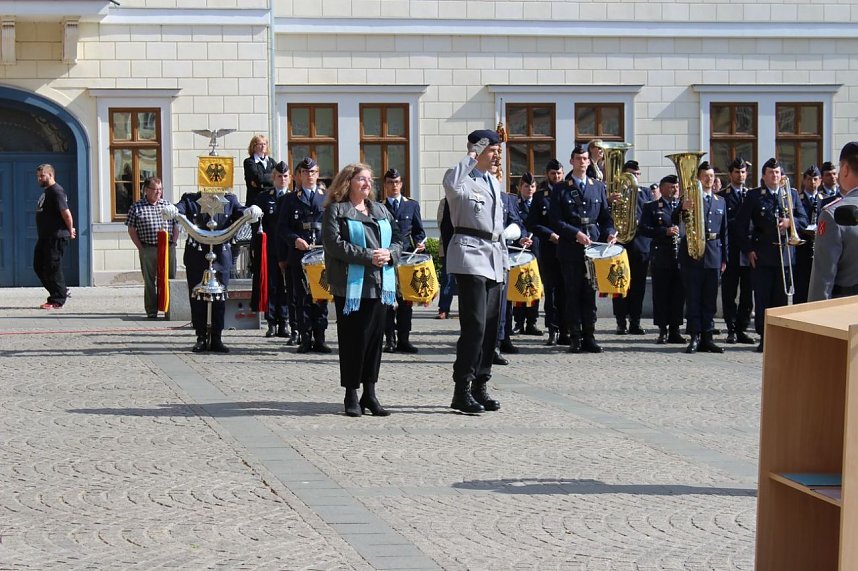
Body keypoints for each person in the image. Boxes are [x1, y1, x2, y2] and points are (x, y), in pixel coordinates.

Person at [323, 163, 402, 417]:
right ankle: (351, 394)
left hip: (380, 284)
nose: (367, 184)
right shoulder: (336, 210)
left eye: (369, 179)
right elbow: (335, 245)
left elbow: (401, 239)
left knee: (375, 341)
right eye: (361, 179)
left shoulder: (380, 209)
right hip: (351, 287)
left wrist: (390, 254)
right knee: (353, 340)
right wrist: (369, 256)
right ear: (348, 182)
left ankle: (370, 393)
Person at [443, 129, 508, 414]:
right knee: (475, 325)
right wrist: (472, 153)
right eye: (492, 150)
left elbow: (497, 226)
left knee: (491, 326)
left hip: (493, 256)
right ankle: (462, 388)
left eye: (496, 150)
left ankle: (482, 383)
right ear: (479, 150)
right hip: (469, 255)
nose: (496, 156)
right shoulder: (461, 178)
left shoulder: (492, 181)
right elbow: (451, 183)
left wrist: (504, 261)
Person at [164, 192, 260, 353]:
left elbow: (240, 211)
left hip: (221, 255)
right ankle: (200, 336)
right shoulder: (191, 199)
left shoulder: (230, 199)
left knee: (220, 298)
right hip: (197, 255)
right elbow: (179, 209)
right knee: (197, 298)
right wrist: (172, 209)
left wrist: (250, 211)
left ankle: (216, 337)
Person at [736, 158, 808, 352]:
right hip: (762, 255)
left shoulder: (791, 194)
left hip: (785, 255)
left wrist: (789, 224)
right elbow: (741, 225)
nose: (775, 176)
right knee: (762, 298)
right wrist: (748, 249)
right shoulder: (754, 196)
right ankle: (764, 337)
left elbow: (803, 219)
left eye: (777, 173)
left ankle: (781, 337)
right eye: (771, 173)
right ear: (763, 176)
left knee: (782, 299)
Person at [549, 144, 616, 353]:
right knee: (572, 293)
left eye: (585, 158)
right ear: (572, 161)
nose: (582, 162)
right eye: (578, 159)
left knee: (590, 294)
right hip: (571, 248)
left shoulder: (597, 186)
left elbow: (605, 216)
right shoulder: (562, 188)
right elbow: (555, 219)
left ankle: (590, 335)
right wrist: (574, 233)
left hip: (593, 248)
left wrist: (610, 232)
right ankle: (575, 336)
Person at [278, 157, 330, 354]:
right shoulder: (291, 199)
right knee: (301, 297)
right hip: (300, 255)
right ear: (299, 175)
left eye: (314, 172)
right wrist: (294, 240)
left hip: (321, 255)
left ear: (318, 174)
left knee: (321, 296)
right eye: (306, 172)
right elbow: (282, 227)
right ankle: (305, 337)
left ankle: (320, 337)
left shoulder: (326, 197)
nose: (310, 176)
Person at [676, 162, 728, 354]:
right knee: (694, 297)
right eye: (706, 176)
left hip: (713, 253)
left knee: (710, 298)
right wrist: (682, 207)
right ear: (698, 178)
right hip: (693, 254)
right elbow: (673, 219)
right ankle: (695, 336)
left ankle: (708, 336)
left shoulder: (720, 201)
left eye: (712, 176)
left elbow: (724, 232)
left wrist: (725, 258)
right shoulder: (689, 198)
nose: (709, 179)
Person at [381, 168, 425, 353]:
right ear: (385, 185)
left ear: (402, 184)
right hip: (388, 261)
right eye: (390, 183)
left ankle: (404, 339)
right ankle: (389, 339)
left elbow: (418, 231)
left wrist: (420, 243)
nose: (394, 186)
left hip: (406, 260)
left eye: (397, 182)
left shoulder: (411, 206)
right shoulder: (379, 206)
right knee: (388, 302)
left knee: (406, 302)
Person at [638, 174, 686, 344]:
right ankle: (662, 330)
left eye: (677, 187)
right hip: (661, 255)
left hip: (680, 255)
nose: (675, 190)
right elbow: (643, 229)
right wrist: (664, 232)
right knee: (661, 294)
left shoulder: (683, 206)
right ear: (663, 188)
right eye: (671, 187)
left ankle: (675, 329)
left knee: (678, 294)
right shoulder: (651, 207)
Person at [526, 159, 568, 346]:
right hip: (549, 248)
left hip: (568, 248)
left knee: (567, 290)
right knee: (550, 291)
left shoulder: (570, 192)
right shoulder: (540, 196)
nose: (556, 176)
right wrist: (549, 235)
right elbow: (532, 223)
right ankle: (553, 329)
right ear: (547, 174)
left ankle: (567, 330)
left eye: (559, 173)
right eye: (553, 174)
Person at [809, 142, 858, 301]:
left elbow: (823, 279)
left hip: (845, 311)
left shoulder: (833, 214)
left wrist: (814, 319)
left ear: (844, 170)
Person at [609, 159, 652, 335]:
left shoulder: (646, 193)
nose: (634, 178)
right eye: (630, 175)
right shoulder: (615, 193)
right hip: (621, 245)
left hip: (640, 244)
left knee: (638, 285)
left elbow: (650, 217)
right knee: (619, 284)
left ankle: (635, 320)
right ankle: (620, 321)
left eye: (636, 175)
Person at [252, 161, 294, 340]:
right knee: (271, 285)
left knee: (286, 286)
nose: (282, 179)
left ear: (290, 178)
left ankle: (284, 321)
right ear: (273, 178)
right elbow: (258, 225)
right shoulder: (264, 197)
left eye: (285, 176)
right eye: (279, 176)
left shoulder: (293, 197)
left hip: (287, 247)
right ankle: (271, 322)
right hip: (269, 248)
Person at [125, 176, 178, 318]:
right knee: (149, 280)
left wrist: (174, 243)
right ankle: (151, 310)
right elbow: (131, 229)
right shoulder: (136, 207)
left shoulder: (167, 206)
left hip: (167, 248)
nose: (158, 192)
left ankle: (169, 309)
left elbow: (176, 225)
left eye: (160, 189)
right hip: (147, 248)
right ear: (146, 190)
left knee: (170, 278)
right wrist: (140, 248)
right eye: (155, 189)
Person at [717, 157, 755, 344]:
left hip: (748, 251)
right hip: (731, 250)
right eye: (736, 172)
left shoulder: (751, 195)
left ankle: (742, 328)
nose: (740, 175)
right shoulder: (723, 196)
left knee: (747, 294)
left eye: (743, 172)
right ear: (730, 174)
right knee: (729, 292)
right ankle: (731, 328)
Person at [33, 164, 76, 309]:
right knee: (38, 265)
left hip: (56, 236)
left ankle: (57, 299)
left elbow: (66, 212)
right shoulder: (48, 192)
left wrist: (70, 229)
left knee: (52, 267)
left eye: (42, 176)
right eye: (38, 176)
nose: (39, 179)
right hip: (45, 236)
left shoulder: (57, 191)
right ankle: (61, 290)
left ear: (51, 175)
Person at [512, 172, 542, 336]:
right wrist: (522, 237)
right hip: (520, 250)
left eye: (532, 186)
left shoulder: (538, 203)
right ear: (519, 188)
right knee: (519, 285)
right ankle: (518, 322)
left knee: (533, 286)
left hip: (535, 249)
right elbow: (515, 223)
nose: (529, 189)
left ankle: (532, 321)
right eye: (526, 186)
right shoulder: (515, 204)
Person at [793, 165, 823, 304]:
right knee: (801, 289)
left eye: (815, 179)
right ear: (804, 180)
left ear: (820, 181)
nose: (812, 182)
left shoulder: (825, 199)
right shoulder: (797, 198)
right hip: (802, 250)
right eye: (810, 179)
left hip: (820, 250)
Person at [435, 197, 457, 319]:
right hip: (448, 244)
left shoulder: (464, 200)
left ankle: (464, 309)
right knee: (447, 279)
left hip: (464, 246)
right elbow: (440, 223)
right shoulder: (444, 202)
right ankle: (443, 308)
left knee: (466, 281)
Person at [243, 134, 275, 207]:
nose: (263, 146)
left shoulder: (271, 162)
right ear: (254, 146)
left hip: (270, 202)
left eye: (264, 144)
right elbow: (258, 178)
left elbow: (278, 176)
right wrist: (272, 179)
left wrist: (262, 183)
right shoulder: (249, 162)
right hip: (255, 202)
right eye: (260, 144)